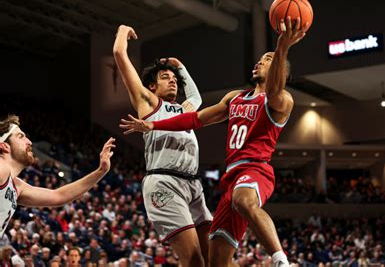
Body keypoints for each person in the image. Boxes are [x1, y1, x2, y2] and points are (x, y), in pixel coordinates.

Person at [119, 16, 308, 267]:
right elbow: (195, 119)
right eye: (261, 58)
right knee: (216, 262)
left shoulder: (281, 100)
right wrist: (153, 124)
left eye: (268, 59)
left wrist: (282, 46)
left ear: (280, 71)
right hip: (226, 178)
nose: (260, 61)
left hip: (254, 169)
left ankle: (281, 260)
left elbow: (273, 89)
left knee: (243, 201)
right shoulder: (234, 98)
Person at [113, 25, 212, 267]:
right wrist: (122, 33)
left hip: (193, 184)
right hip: (164, 182)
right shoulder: (149, 103)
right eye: (165, 78)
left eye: (174, 79)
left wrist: (182, 69)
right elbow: (119, 54)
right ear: (152, 87)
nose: (173, 82)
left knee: (215, 258)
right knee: (194, 260)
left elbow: (196, 98)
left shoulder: (183, 110)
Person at [0, 114, 115, 238]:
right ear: (4, 146)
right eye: (21, 136)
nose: (29, 141)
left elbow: (59, 196)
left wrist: (101, 171)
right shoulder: (2, 168)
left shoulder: (17, 185)